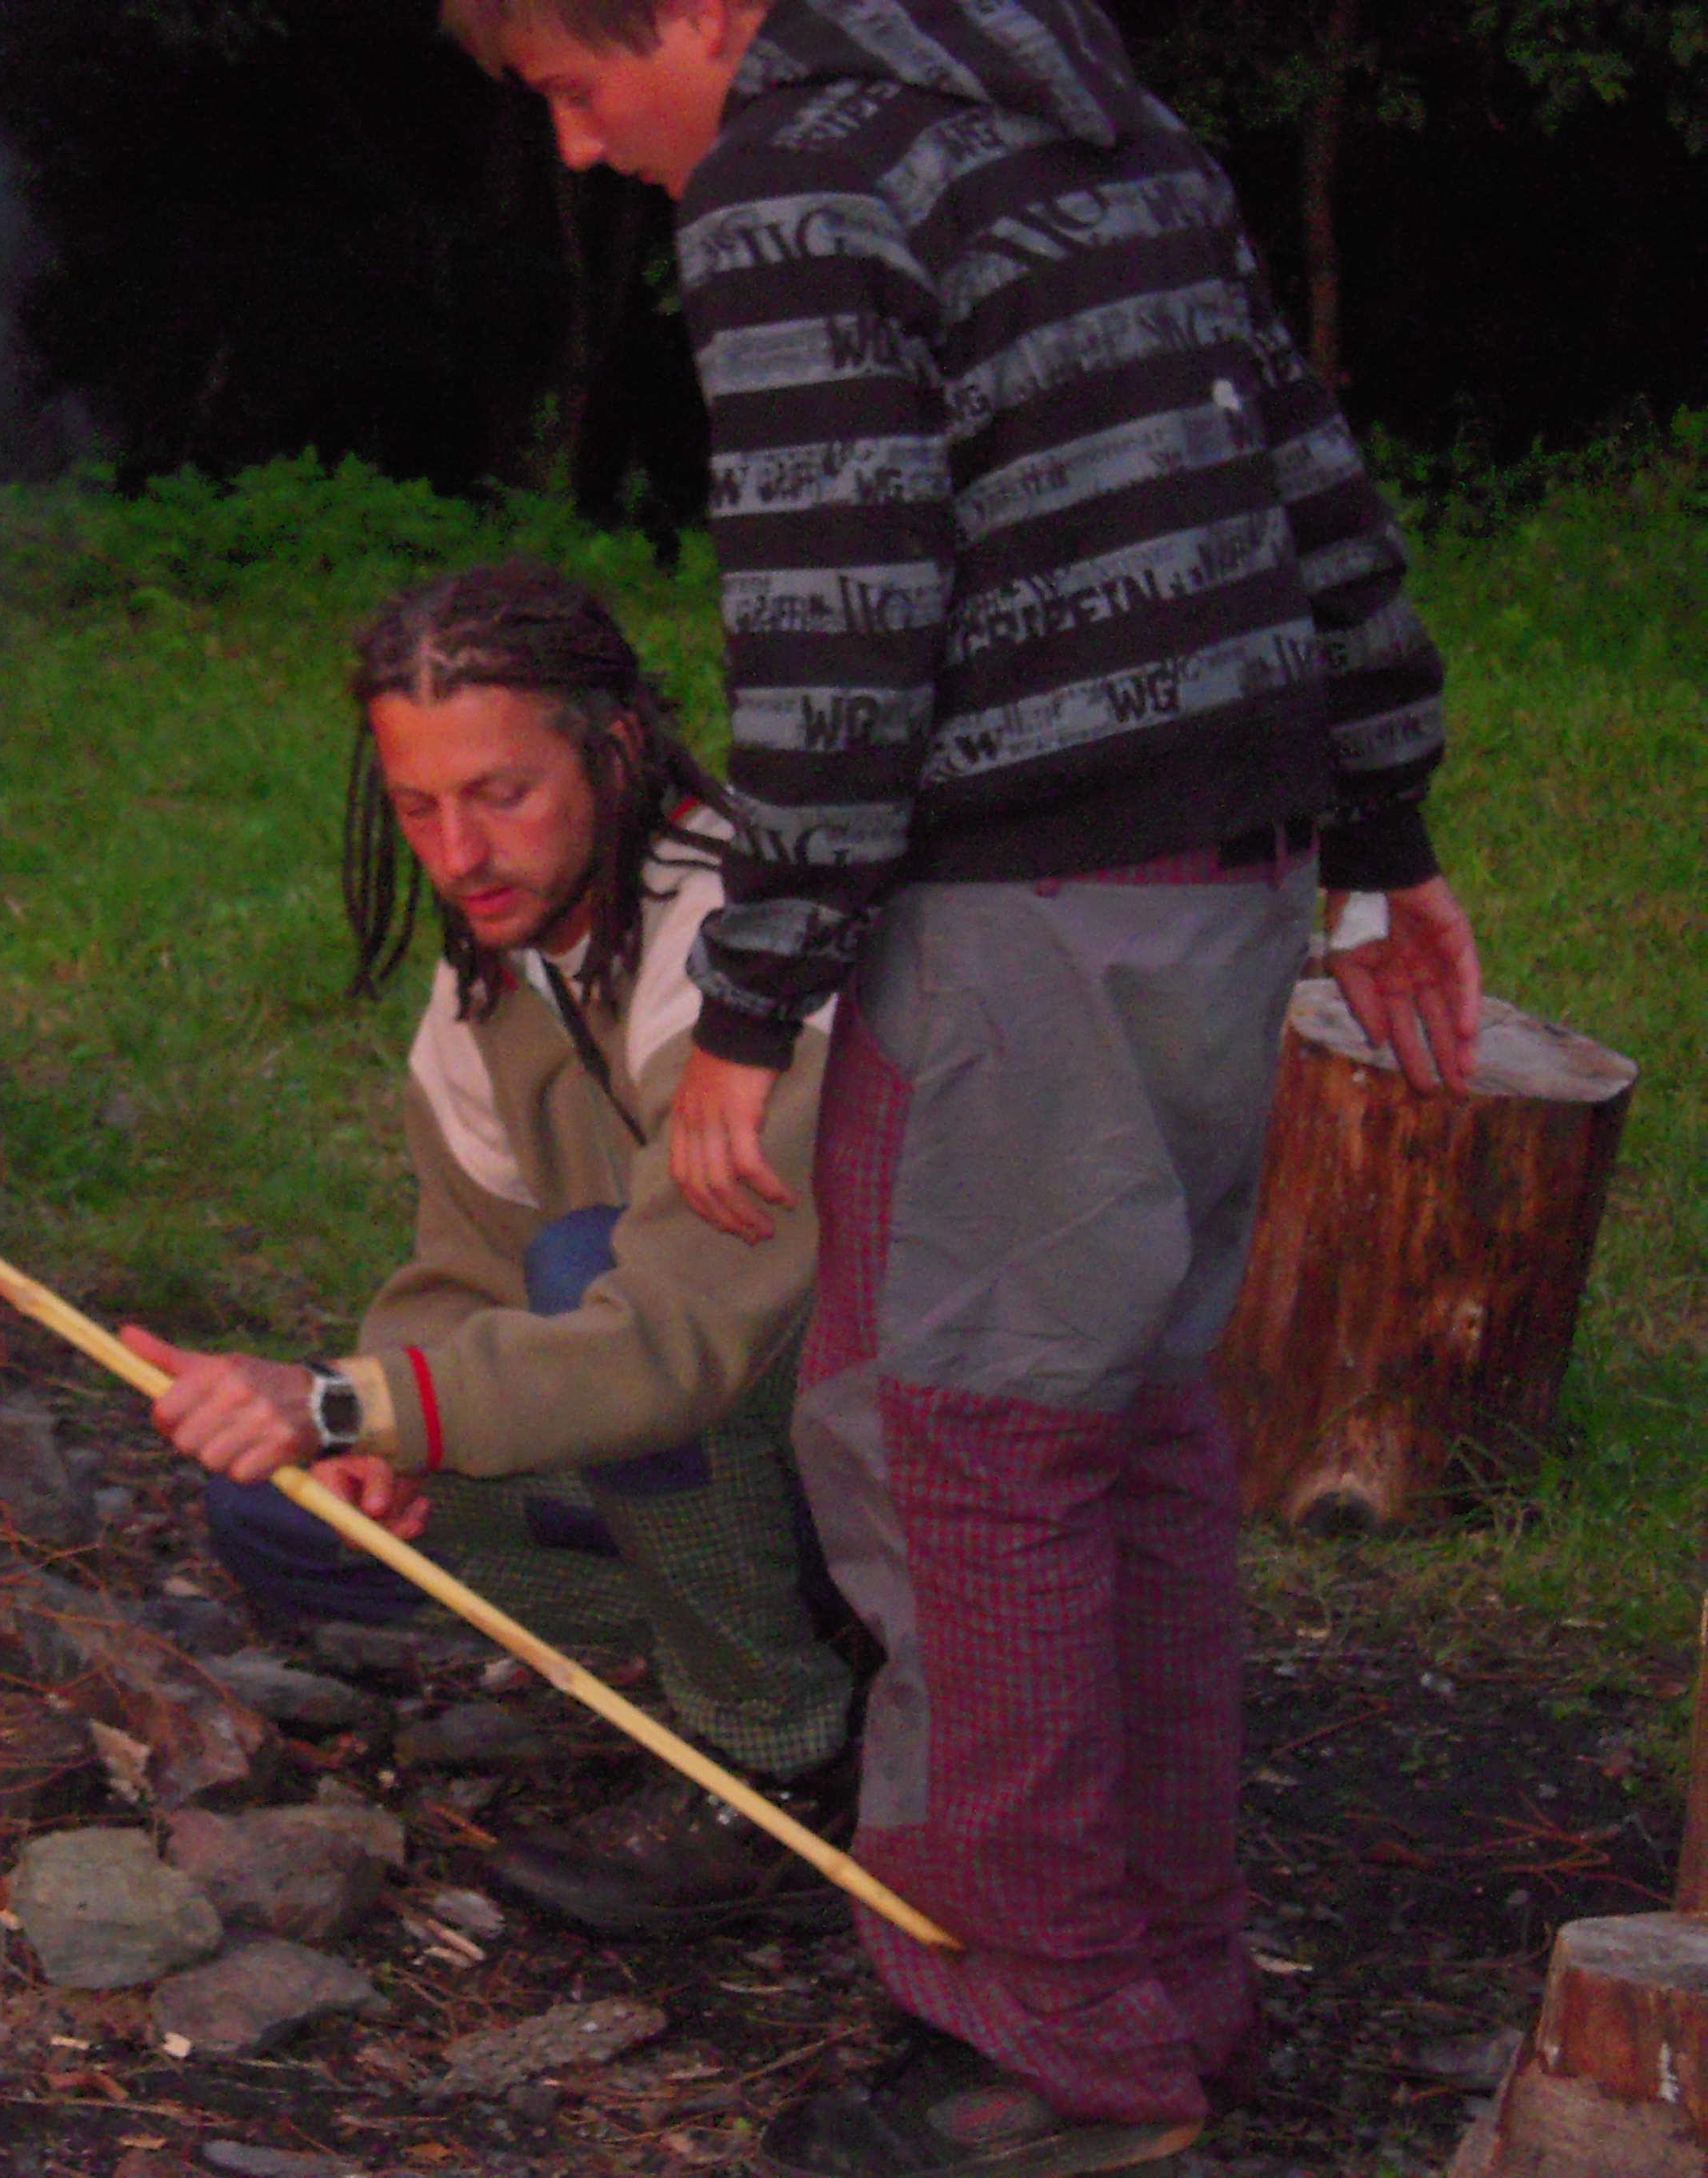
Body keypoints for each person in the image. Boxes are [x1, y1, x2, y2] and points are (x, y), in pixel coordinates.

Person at [441, 4, 1484, 2174]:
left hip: (1026, 900)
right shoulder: (1094, 122)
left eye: (573, 82)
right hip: (1226, 881)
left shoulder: (800, 177)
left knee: (957, 1455)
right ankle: (1165, 1986)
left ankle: (1048, 2044)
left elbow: (840, 611)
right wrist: (1384, 827)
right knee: (1125, 1437)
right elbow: (1305, 471)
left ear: (698, 9)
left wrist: (757, 996)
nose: (586, 145)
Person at [124, 561, 861, 1934]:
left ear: (615, 751)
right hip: (724, 1458)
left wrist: (341, 1397)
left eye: (500, 795)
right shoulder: (490, 979)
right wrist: (372, 1444)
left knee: (587, 1268)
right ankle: (789, 1649)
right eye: (417, 808)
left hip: (880, 1458)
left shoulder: (746, 942)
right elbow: (461, 1275)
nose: (456, 855)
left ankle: (779, 1759)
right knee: (287, 1516)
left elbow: (670, 1344)